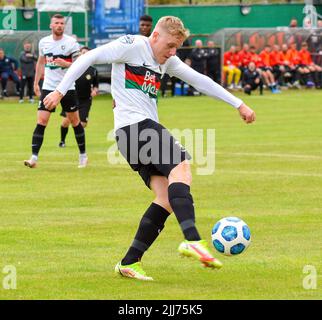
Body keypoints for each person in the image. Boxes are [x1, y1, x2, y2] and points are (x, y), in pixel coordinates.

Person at [43, 16, 256, 281]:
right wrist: (60, 91)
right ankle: (193, 240)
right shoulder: (132, 45)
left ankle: (130, 262)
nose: (172, 52)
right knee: (182, 168)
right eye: (169, 45)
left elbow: (200, 80)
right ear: (155, 36)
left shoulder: (167, 60)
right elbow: (88, 58)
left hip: (130, 135)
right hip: (136, 128)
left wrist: (238, 104)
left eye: (177, 47)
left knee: (166, 198)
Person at [23, 13, 88, 169]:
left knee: (74, 121)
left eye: (61, 23)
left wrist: (65, 63)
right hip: (48, 87)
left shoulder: (71, 42)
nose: (59, 25)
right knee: (41, 121)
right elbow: (40, 62)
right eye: (56, 23)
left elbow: (80, 64)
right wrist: (36, 82)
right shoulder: (44, 42)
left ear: (63, 26)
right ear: (51, 26)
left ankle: (83, 155)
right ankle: (33, 158)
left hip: (67, 88)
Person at [59, 46, 99, 148]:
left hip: (85, 100)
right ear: (79, 54)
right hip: (73, 97)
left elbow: (96, 85)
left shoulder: (93, 70)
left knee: (83, 124)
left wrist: (94, 90)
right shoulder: (74, 67)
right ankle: (62, 141)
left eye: (87, 53)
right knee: (65, 122)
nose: (84, 54)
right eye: (83, 52)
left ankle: (80, 141)